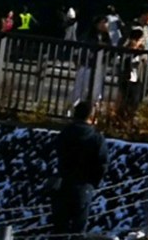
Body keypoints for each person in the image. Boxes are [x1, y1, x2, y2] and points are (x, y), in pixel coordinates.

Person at [52, 97, 107, 238]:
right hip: (84, 186)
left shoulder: (65, 133)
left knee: (59, 230)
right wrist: (93, 183)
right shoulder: (96, 138)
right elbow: (102, 164)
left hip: (63, 184)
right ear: (92, 117)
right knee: (79, 230)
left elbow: (54, 153)